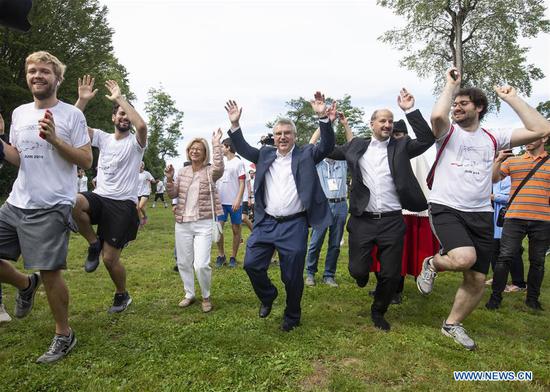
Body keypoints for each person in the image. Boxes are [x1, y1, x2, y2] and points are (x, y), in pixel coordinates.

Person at [417, 68, 550, 350]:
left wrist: (513, 99)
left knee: (477, 278)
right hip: (447, 206)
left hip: (481, 213)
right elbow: (437, 117)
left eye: (463, 103)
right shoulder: (447, 133)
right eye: (455, 104)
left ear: (479, 107)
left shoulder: (494, 135)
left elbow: (541, 129)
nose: (457, 108)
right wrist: (449, 86)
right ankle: (431, 263)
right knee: (463, 258)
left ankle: (451, 324)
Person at [0, 51, 92, 363]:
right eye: (32, 71)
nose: (37, 76)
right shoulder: (20, 113)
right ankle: (25, 285)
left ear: (57, 78)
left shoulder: (72, 116)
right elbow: (17, 156)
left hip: (52, 205)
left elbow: (86, 161)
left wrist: (55, 140)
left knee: (50, 273)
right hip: (17, 200)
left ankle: (64, 334)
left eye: (44, 72)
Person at [226, 92, 335, 332]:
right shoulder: (265, 154)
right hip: (266, 223)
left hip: (294, 224)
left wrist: (322, 118)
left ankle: (292, 315)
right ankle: (268, 296)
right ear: (273, 137)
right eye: (278, 134)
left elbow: (327, 145)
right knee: (252, 264)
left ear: (295, 136)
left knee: (292, 275)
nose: (282, 137)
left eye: (287, 133)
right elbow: (242, 147)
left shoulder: (306, 154)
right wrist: (235, 124)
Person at [328, 88, 434, 331]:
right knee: (357, 269)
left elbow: (427, 140)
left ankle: (378, 311)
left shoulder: (401, 146)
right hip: (362, 221)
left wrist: (410, 110)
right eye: (382, 120)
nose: (387, 124)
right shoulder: (356, 146)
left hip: (392, 221)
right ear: (372, 124)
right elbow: (328, 149)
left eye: (390, 120)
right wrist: (327, 122)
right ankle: (362, 275)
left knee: (390, 274)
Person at [73, 74, 148, 313]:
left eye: (128, 114)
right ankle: (93, 243)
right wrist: (82, 101)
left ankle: (121, 294)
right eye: (120, 113)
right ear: (113, 117)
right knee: (72, 201)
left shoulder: (136, 143)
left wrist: (121, 98)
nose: (124, 117)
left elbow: (143, 126)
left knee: (109, 259)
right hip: (100, 197)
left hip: (123, 205)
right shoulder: (103, 138)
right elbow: (71, 124)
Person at [369, 119, 440, 305]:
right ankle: (382, 286)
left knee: (398, 256)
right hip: (385, 211)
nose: (395, 138)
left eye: (398, 135)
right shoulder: (385, 153)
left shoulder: (413, 154)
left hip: (408, 214)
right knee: (381, 254)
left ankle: (395, 290)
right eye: (392, 135)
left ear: (406, 136)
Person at [486, 136, 549, 310]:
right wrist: (498, 160)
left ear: (544, 137)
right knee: (504, 258)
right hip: (514, 217)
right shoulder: (514, 161)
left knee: (538, 262)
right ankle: (495, 299)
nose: (527, 140)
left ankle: (532, 300)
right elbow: (493, 179)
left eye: (533, 136)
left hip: (543, 219)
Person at [165, 129, 224, 312]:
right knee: (183, 262)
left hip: (204, 222)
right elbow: (173, 193)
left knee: (201, 264)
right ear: (188, 152)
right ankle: (189, 293)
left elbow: (220, 167)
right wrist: (169, 179)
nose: (195, 151)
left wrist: (215, 143)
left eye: (199, 149)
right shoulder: (182, 172)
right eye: (192, 148)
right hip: (183, 223)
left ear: (205, 152)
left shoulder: (210, 172)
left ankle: (206, 296)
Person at [305, 112, 354, 288]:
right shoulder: (317, 161)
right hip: (323, 205)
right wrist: (325, 123)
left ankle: (329, 275)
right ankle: (310, 273)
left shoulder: (342, 161)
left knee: (335, 244)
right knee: (315, 242)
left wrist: (345, 124)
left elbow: (352, 145)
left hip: (341, 204)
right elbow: (311, 142)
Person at [486, 176, 526, 291]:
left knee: (513, 252)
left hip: (508, 219)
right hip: (493, 219)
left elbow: (515, 196)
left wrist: (494, 197)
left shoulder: (512, 177)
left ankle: (519, 283)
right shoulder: (493, 176)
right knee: (494, 250)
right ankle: (497, 278)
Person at [215, 138, 246, 268]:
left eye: (222, 147)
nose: (221, 149)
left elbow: (242, 183)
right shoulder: (220, 163)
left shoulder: (238, 163)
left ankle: (233, 256)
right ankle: (221, 256)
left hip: (234, 202)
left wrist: (238, 199)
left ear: (228, 147)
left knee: (235, 229)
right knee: (218, 229)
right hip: (220, 202)